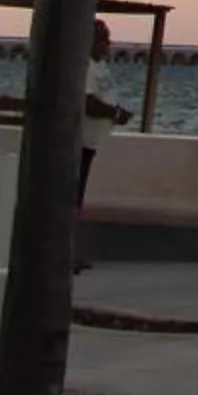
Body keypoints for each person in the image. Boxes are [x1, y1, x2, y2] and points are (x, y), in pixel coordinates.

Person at [76, 19, 133, 270]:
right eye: (103, 40)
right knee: (70, 200)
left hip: (92, 143)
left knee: (76, 200)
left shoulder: (100, 67)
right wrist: (114, 114)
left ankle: (71, 251)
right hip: (79, 142)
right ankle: (64, 254)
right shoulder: (84, 67)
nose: (107, 45)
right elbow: (87, 103)